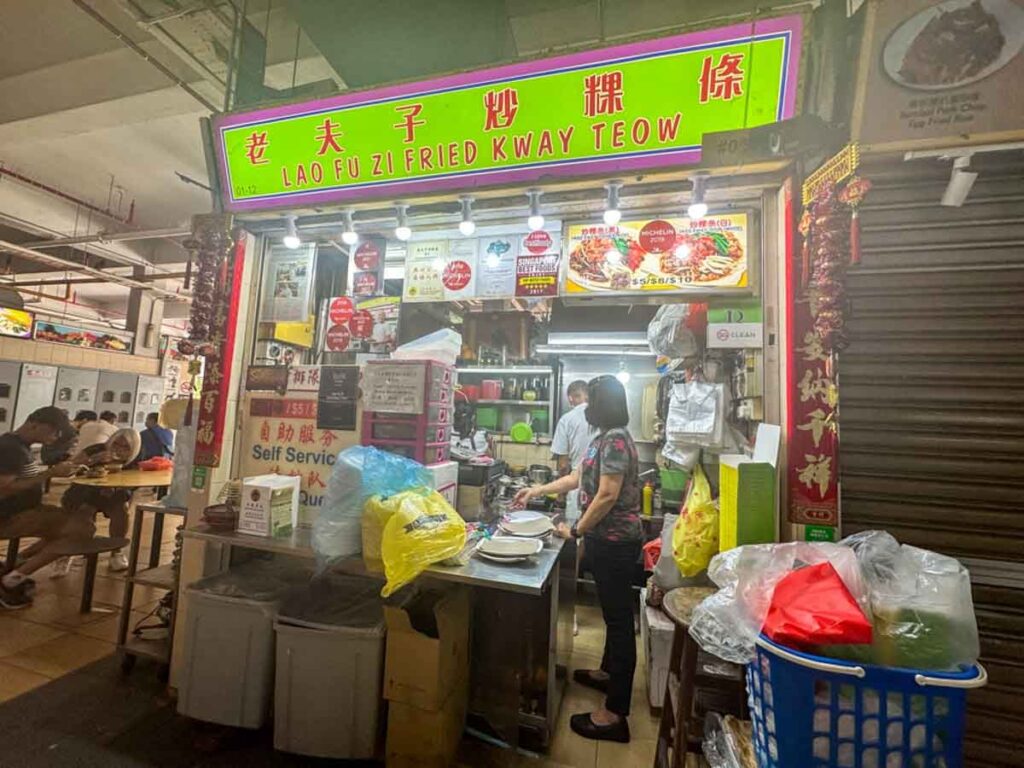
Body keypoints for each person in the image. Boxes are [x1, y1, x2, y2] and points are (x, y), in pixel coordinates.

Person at [515, 375, 642, 743]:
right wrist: (536, 489)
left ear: (602, 405)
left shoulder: (615, 439)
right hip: (606, 541)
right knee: (613, 616)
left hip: (615, 543)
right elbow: (576, 478)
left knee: (619, 621)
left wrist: (577, 530)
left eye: (592, 402)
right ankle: (606, 673)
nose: (586, 408)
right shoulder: (603, 439)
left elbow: (607, 494)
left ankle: (615, 715)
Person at [0, 407, 92, 609]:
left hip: (25, 511)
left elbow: (23, 477)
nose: (56, 437)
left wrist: (68, 466)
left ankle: (16, 564)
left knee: (71, 525)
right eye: (55, 431)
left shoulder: (19, 446)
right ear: (35, 424)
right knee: (82, 529)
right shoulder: (10, 448)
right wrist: (50, 474)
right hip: (11, 516)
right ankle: (10, 581)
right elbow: (4, 488)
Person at [59, 428, 142, 573]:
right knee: (85, 511)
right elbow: (69, 466)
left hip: (115, 491)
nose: (119, 449)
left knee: (121, 510)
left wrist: (116, 487)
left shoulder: (136, 459)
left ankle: (116, 551)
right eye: (116, 444)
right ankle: (69, 550)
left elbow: (136, 481)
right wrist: (93, 460)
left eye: (126, 447)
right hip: (85, 489)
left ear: (133, 449)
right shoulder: (97, 449)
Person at [550, 379, 599, 521]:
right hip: (602, 486)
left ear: (570, 398)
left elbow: (563, 465)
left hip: (578, 486)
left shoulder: (566, 420)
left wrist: (561, 494)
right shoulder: (603, 418)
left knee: (575, 530)